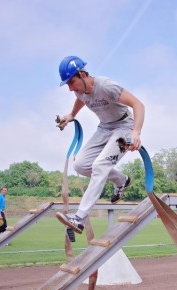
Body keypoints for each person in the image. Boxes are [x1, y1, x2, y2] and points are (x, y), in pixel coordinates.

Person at [54, 55, 145, 234]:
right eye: (68, 85)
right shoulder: (79, 91)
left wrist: (136, 133)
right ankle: (122, 180)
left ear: (83, 74)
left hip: (125, 129)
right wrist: (71, 115)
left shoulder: (106, 86)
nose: (71, 88)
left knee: (100, 165)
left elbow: (138, 104)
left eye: (72, 82)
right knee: (80, 165)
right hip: (104, 129)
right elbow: (81, 99)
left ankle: (79, 218)